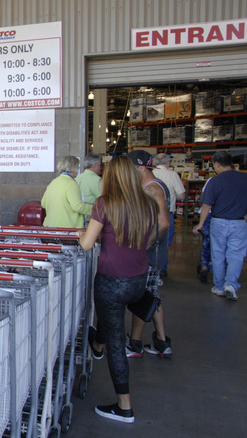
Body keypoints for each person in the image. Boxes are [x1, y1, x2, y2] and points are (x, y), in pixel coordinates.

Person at [77, 155, 162, 424]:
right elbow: (152, 236)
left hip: (111, 282)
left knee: (115, 339)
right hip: (138, 280)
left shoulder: (105, 204)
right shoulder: (148, 203)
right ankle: (97, 345)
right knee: (110, 324)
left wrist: (81, 234)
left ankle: (124, 407)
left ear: (111, 177)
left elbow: (87, 244)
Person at [126, 150, 172, 359]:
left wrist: (144, 246)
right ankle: (162, 343)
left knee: (143, 297)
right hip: (154, 254)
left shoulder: (152, 189)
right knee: (152, 296)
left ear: (141, 167)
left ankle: (135, 344)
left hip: (150, 256)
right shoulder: (151, 186)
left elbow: (163, 223)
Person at [193, 151, 247, 301]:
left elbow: (206, 206)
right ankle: (231, 284)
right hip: (239, 222)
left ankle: (219, 286)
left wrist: (200, 224)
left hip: (219, 222)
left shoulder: (214, 181)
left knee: (218, 255)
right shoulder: (245, 178)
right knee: (236, 255)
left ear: (216, 164)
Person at [152, 153, 185, 272]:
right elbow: (181, 195)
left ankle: (151, 268)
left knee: (149, 242)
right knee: (164, 243)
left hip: (150, 214)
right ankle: (162, 267)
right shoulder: (173, 175)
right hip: (167, 214)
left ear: (155, 162)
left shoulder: (150, 174)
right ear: (168, 163)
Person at [40, 156, 92, 228]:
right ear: (74, 168)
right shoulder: (71, 183)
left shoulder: (53, 182)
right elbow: (77, 206)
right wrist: (96, 209)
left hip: (50, 226)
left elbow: (43, 203)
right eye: (78, 167)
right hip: (68, 229)